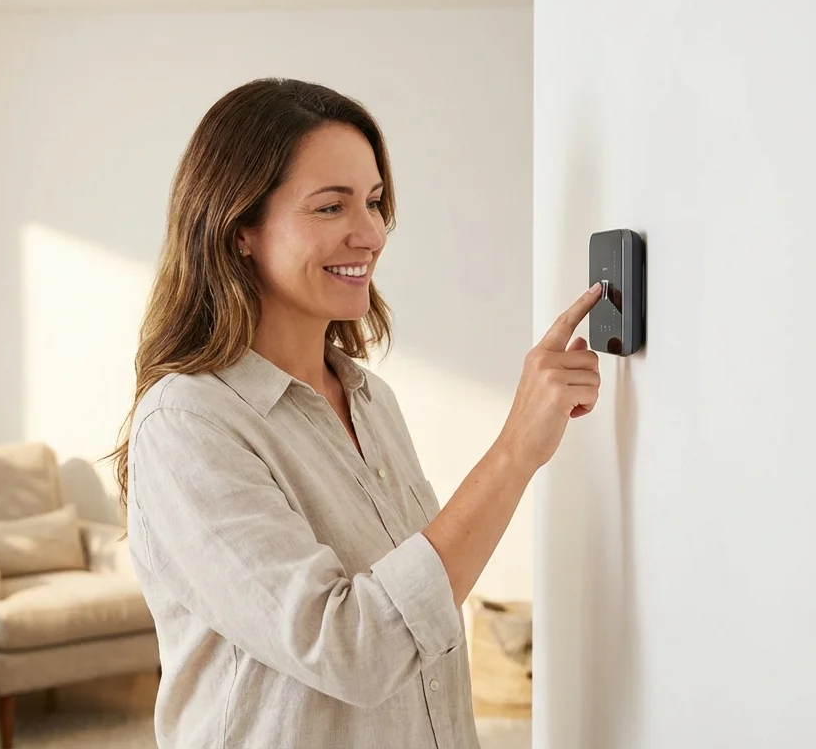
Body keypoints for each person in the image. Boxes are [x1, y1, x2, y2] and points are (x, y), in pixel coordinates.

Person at [109, 77, 603, 748]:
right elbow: (353, 648)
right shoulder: (188, 423)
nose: (370, 233)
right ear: (241, 229)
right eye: (330, 207)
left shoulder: (371, 400)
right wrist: (517, 450)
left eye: (373, 202)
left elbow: (424, 633)